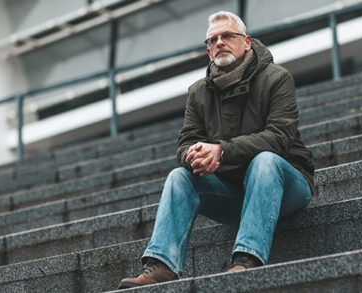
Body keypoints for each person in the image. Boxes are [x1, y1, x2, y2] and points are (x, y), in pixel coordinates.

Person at [118, 10, 314, 289]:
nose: (219, 42)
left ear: (246, 42)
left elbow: (280, 137)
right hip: (234, 194)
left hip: (287, 186)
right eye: (212, 40)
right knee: (179, 176)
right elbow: (185, 142)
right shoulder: (198, 92)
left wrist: (221, 151)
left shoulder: (277, 77)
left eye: (227, 36)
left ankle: (247, 260)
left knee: (265, 160)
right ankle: (162, 265)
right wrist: (192, 156)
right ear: (209, 52)